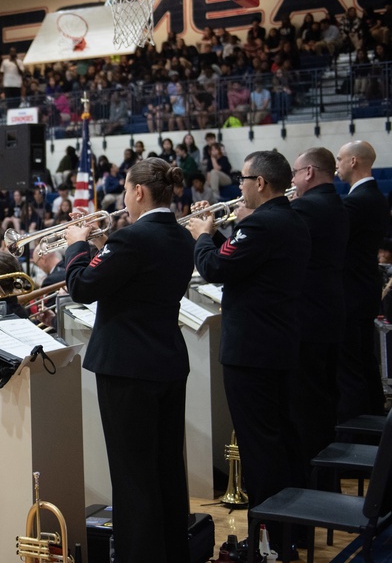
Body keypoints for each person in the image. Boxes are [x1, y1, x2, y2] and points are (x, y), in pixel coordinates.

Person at [63, 158, 194, 563]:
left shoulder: (131, 239)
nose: (122, 197)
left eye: (124, 188)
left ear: (139, 191)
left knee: (132, 474)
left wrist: (75, 243)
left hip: (127, 369)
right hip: (167, 361)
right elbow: (131, 278)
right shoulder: (182, 237)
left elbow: (82, 286)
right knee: (167, 469)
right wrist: (99, 247)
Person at [190, 150, 311, 546]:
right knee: (283, 442)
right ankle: (292, 533)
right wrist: (223, 235)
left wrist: (203, 236)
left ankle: (269, 540)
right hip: (279, 346)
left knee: (260, 450)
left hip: (251, 353)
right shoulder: (291, 220)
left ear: (259, 182)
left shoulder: (261, 225)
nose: (237, 187)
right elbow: (244, 261)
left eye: (242, 180)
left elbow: (215, 268)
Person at [287, 147, 348, 483]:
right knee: (322, 404)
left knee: (306, 409)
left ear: (308, 172)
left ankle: (314, 485)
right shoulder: (334, 201)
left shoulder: (307, 206)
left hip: (308, 319)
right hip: (327, 313)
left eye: (295, 174)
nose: (292, 181)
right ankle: (326, 481)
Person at [335, 140, 391, 421]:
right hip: (363, 288)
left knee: (351, 369)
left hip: (351, 292)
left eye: (340, 159)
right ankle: (374, 421)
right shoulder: (374, 196)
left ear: (353, 161)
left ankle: (355, 430)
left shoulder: (357, 201)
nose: (337, 165)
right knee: (365, 362)